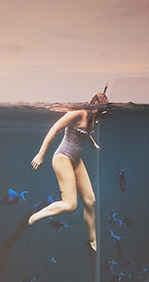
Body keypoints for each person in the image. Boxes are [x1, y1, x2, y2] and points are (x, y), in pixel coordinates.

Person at [27, 88, 109, 250]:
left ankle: (93, 241)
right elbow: (55, 128)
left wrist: (93, 144)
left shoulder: (94, 118)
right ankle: (36, 216)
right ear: (91, 103)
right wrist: (40, 154)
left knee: (90, 201)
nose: (97, 112)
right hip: (62, 157)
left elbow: (85, 133)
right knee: (70, 206)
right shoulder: (78, 113)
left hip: (76, 159)